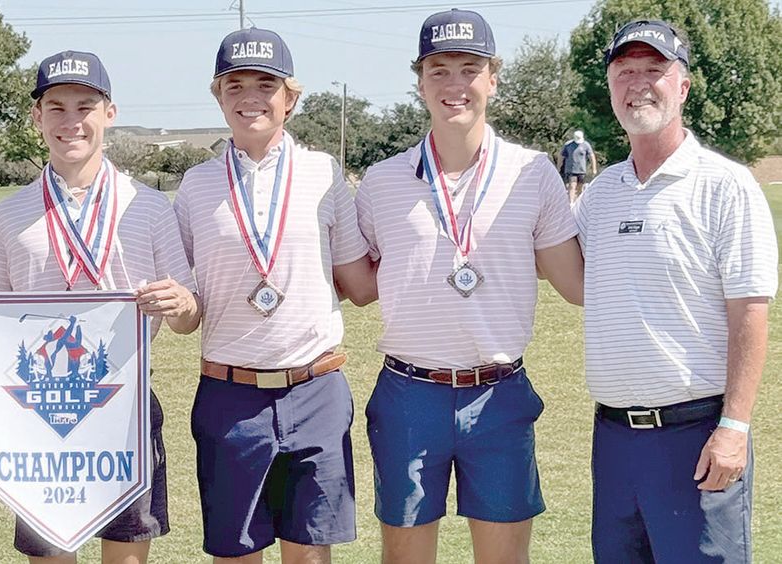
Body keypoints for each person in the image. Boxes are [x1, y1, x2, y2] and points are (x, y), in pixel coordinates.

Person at [0, 49, 200, 564]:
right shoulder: (9, 213)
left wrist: (179, 302)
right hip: (39, 413)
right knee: (52, 553)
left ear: (110, 112)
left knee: (126, 550)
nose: (71, 121)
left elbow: (189, 319)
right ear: (37, 117)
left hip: (123, 403)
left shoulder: (148, 206)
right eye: (56, 108)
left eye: (85, 105)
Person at [355, 9, 584, 564]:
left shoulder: (534, 173)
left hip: (498, 393)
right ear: (420, 82)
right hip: (409, 392)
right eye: (439, 71)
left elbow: (575, 284)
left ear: (493, 79)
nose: (454, 85)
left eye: (469, 69)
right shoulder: (382, 181)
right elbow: (356, 285)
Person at [575, 19, 776, 563]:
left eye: (654, 70)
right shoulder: (599, 195)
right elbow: (566, 275)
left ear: (682, 86)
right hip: (614, 437)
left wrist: (734, 427)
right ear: (611, 84)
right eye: (625, 70)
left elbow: (750, 312)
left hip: (697, 435)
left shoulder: (726, 185)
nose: (638, 83)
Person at [174, 27, 375, 564]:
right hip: (229, 395)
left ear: (292, 98)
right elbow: (187, 311)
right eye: (234, 85)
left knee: (310, 554)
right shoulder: (194, 185)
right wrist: (177, 305)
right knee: (236, 554)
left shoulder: (324, 174)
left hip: (316, 388)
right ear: (218, 97)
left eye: (266, 84)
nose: (250, 98)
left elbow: (358, 283)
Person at [558, 130, 598, 202]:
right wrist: (559, 166)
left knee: (580, 187)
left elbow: (591, 156)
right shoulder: (568, 145)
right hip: (571, 170)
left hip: (581, 170)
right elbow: (561, 156)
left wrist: (594, 168)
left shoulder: (586, 145)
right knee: (572, 186)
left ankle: (579, 202)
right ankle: (571, 203)